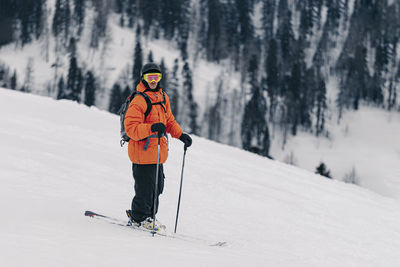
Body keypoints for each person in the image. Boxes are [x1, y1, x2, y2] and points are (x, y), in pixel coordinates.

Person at [124, 63, 192, 230]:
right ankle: (139, 217)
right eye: (150, 77)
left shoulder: (162, 98)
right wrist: (151, 128)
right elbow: (131, 129)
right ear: (143, 78)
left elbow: (169, 120)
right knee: (145, 189)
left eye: (156, 77)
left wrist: (180, 135)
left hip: (157, 153)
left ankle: (149, 217)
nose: (153, 81)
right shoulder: (139, 100)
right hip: (142, 152)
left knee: (157, 187)